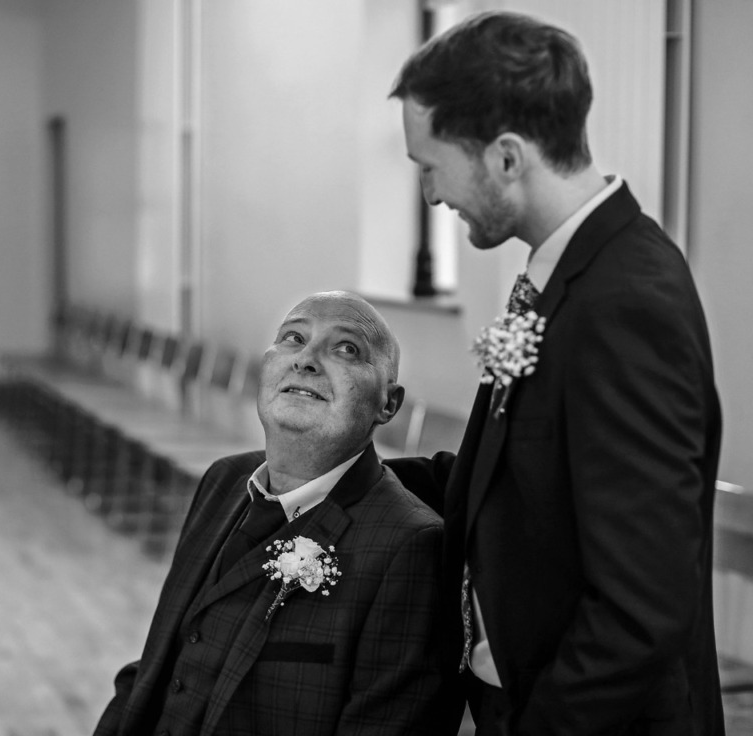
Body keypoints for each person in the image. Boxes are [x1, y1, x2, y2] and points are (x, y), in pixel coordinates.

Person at [386, 11, 723, 736]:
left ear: (507, 157)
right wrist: (350, 471)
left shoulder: (625, 302)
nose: (432, 195)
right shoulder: (562, 274)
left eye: (431, 165)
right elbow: (523, 484)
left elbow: (641, 609)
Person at [92, 291, 464, 736]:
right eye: (292, 337)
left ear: (389, 403)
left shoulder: (410, 545)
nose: (305, 359)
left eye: (346, 348)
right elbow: (159, 660)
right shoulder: (223, 481)